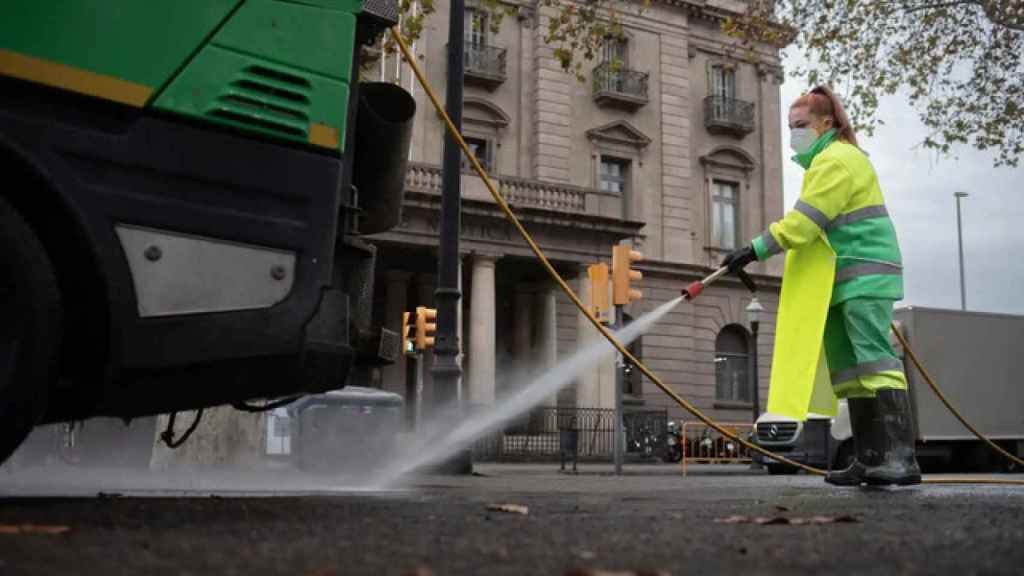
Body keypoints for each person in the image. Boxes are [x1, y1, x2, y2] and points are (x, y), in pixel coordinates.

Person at [722, 86, 921, 486]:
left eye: (800, 125)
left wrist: (752, 249)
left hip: (864, 275)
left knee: (877, 364)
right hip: (841, 280)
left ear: (826, 123)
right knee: (852, 372)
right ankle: (869, 459)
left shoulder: (838, 160)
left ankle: (901, 459)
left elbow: (804, 223)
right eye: (790, 126)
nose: (794, 133)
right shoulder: (825, 162)